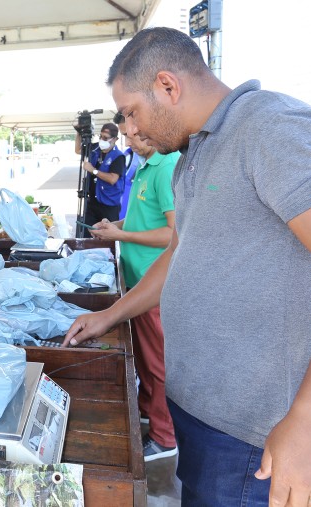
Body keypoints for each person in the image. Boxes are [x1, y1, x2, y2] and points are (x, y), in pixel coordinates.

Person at [64, 27, 311, 506]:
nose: (129, 128)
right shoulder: (197, 150)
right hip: (206, 419)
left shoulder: (271, 128)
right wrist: (110, 315)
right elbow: (180, 251)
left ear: (168, 86)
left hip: (257, 437)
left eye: (131, 111)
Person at [88, 128, 179, 462]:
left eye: (132, 133)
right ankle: (147, 411)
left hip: (155, 286)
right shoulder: (144, 165)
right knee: (142, 356)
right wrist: (115, 227)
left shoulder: (167, 167)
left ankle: (164, 436)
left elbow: (173, 233)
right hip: (135, 278)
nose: (126, 141)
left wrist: (122, 233)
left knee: (158, 364)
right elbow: (143, 220)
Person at [74, 123, 126, 235]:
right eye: (101, 136)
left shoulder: (118, 157)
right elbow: (78, 150)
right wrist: (79, 132)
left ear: (115, 139)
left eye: (106, 138)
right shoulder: (95, 148)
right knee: (88, 233)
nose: (102, 140)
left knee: (108, 235)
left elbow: (113, 179)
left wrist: (93, 170)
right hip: (92, 202)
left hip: (109, 204)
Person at [116, 114, 142, 220]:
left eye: (130, 135)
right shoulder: (141, 161)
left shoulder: (167, 165)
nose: (127, 143)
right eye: (125, 136)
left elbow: (172, 229)